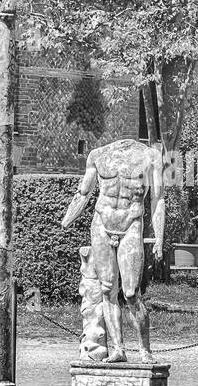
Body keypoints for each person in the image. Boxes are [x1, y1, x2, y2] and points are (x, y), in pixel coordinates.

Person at [62, 138, 165, 363]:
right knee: (108, 290)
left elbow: (157, 200)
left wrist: (159, 237)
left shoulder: (150, 156)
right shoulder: (97, 155)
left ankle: (144, 350)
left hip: (131, 224)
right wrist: (66, 220)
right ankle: (118, 349)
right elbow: (83, 192)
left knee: (130, 293)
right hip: (101, 223)